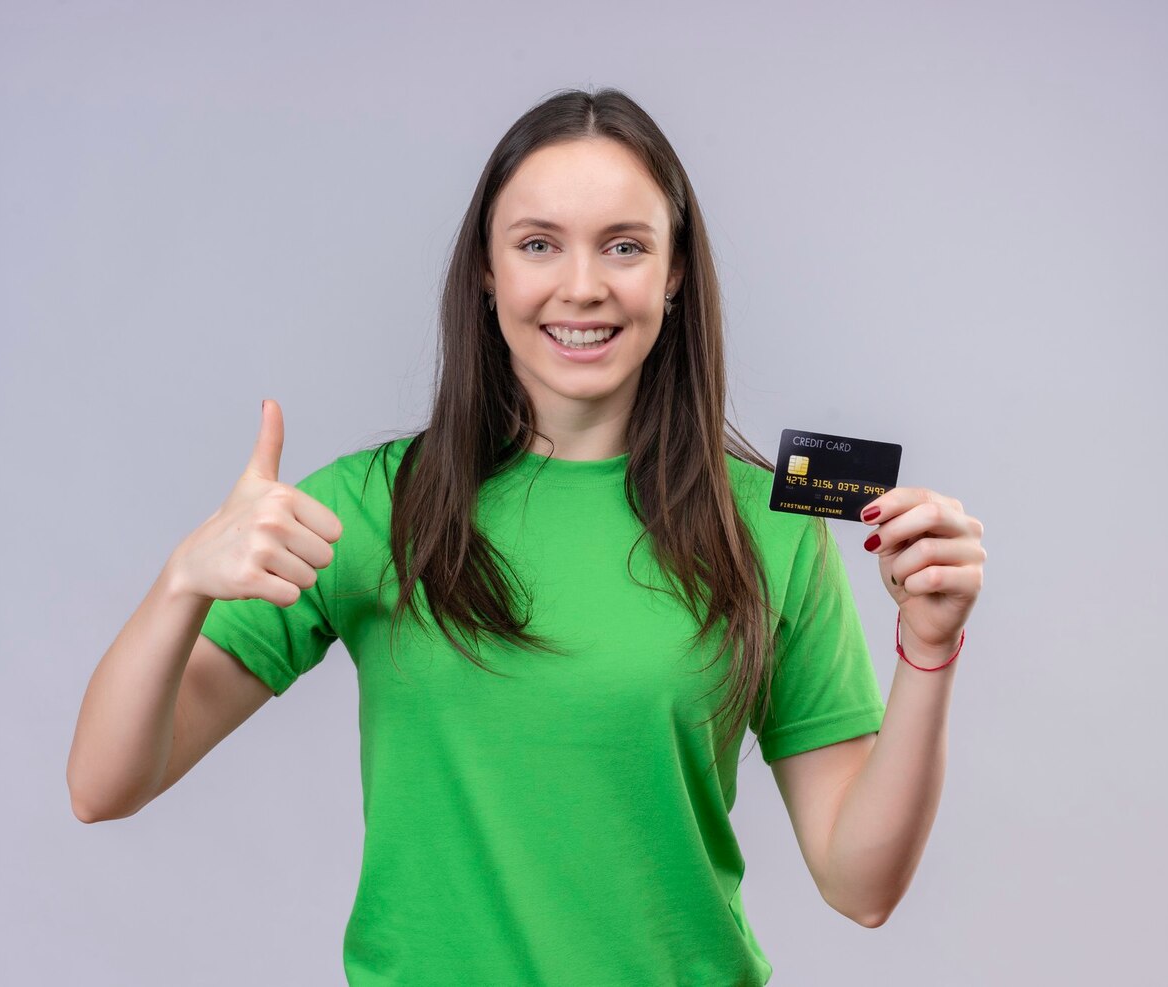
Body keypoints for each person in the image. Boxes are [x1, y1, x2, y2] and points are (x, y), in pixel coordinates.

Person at [67, 86, 986, 986]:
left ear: (672, 272)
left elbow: (862, 884)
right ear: (487, 269)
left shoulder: (766, 529)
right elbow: (102, 785)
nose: (580, 287)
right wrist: (181, 582)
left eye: (623, 246)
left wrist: (929, 648)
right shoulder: (370, 508)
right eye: (538, 244)